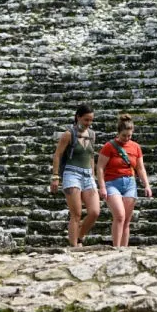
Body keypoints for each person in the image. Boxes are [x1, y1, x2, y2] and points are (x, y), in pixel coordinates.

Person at [96, 113, 153, 247]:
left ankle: (124, 248)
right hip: (112, 183)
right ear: (118, 133)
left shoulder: (135, 147)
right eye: (124, 136)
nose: (126, 138)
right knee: (120, 216)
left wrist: (147, 185)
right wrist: (102, 187)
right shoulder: (109, 146)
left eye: (129, 136)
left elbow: (140, 168)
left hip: (130, 183)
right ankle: (116, 247)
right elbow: (99, 168)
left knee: (127, 220)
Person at [50, 103, 100, 247]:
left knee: (95, 212)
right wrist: (55, 176)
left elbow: (91, 156)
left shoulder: (92, 134)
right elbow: (57, 155)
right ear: (78, 117)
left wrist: (93, 176)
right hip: (71, 173)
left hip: (88, 175)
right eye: (86, 120)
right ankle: (73, 246)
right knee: (76, 213)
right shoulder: (68, 134)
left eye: (91, 120)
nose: (88, 123)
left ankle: (80, 236)